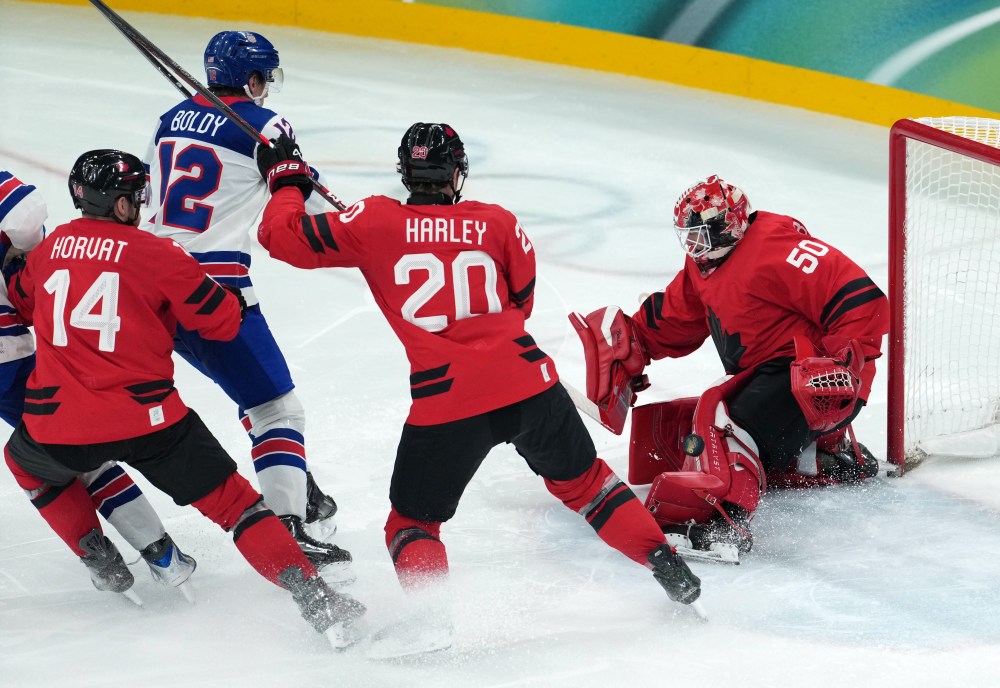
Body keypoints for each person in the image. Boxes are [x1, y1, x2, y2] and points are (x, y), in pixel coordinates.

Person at [254, 123, 703, 653]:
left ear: (406, 171)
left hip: (449, 402)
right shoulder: (496, 222)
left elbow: (278, 238)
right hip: (530, 381)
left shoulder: (373, 220)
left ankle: (433, 620)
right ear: (456, 172)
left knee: (411, 522)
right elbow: (522, 299)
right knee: (589, 486)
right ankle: (665, 562)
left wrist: (287, 180)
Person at [3, 150, 364, 645]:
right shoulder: (157, 253)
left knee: (25, 461)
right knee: (239, 507)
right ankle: (316, 599)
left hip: (58, 424)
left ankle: (97, 555)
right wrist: (223, 299)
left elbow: (22, 299)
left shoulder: (51, 250)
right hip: (152, 425)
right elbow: (220, 321)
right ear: (125, 204)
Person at [572, 174, 889, 557]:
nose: (692, 247)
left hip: (819, 380)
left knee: (727, 426)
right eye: (687, 237)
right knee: (701, 419)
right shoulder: (705, 264)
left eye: (699, 236)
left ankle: (725, 521)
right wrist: (636, 341)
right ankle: (822, 456)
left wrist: (843, 364)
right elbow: (678, 315)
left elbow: (860, 298)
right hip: (774, 375)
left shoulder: (776, 248)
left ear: (728, 226)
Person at [140, 30, 349, 577]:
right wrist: (296, 175)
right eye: (265, 78)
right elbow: (294, 187)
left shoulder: (169, 120)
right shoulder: (267, 125)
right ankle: (288, 526)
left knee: (253, 397)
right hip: (213, 292)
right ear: (253, 79)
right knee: (277, 409)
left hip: (151, 290)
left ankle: (293, 479)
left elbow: (143, 196)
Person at [0, 169, 196, 590]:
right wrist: (25, 258)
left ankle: (97, 556)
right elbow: (25, 213)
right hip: (6, 356)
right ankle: (160, 553)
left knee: (36, 458)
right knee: (74, 445)